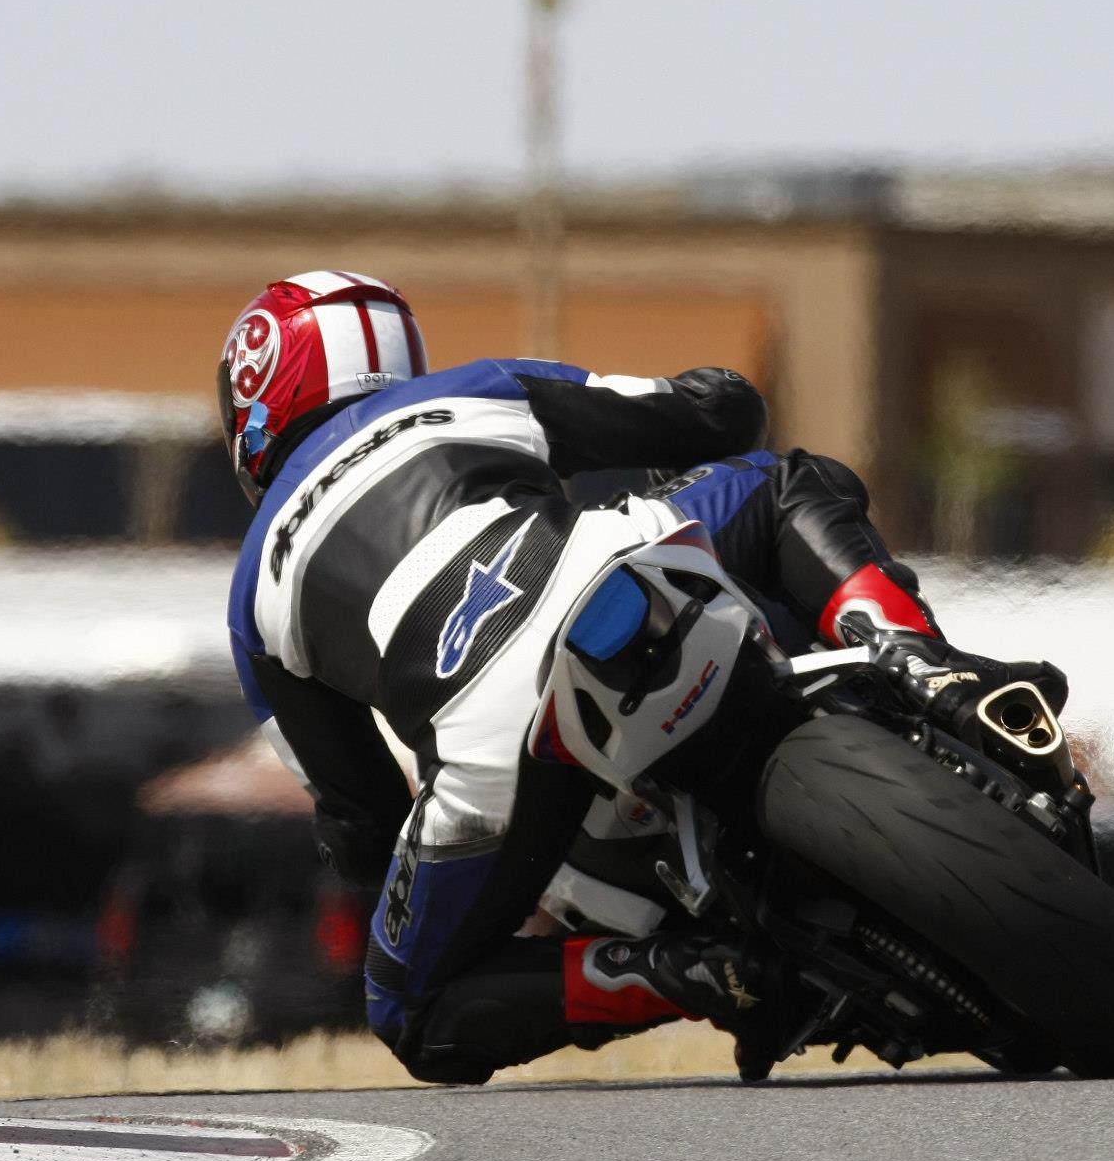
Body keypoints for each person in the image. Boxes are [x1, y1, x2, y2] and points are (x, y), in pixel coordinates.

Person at [223, 270, 1057, 1083]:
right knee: (784, 483)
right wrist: (716, 385)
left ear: (257, 404)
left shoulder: (253, 597)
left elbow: (361, 818)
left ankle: (687, 971)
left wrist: (417, 866)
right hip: (603, 564)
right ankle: (923, 664)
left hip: (488, 746)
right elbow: (717, 413)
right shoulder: (475, 389)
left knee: (411, 1009)